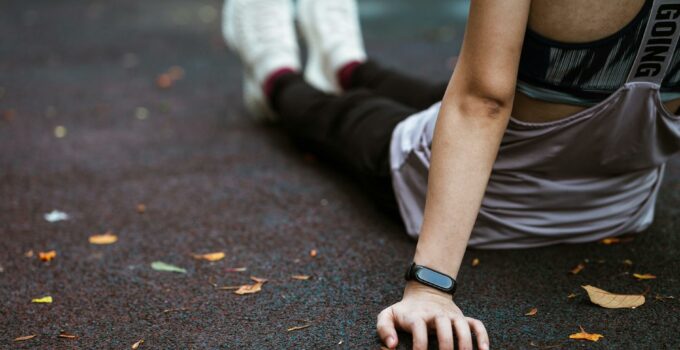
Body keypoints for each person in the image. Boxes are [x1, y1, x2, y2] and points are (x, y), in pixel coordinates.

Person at [222, 0, 680, 349]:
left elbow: (482, 104)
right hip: (619, 207)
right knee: (460, 97)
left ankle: (273, 74)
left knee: (351, 118)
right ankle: (348, 65)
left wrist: (431, 288)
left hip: (489, 209)